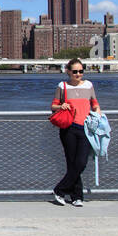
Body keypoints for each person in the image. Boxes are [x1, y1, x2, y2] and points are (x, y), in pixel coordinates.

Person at [50, 58, 100, 207]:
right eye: (75, 71)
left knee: (81, 162)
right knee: (72, 163)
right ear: (68, 72)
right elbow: (53, 106)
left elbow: (94, 103)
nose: (78, 74)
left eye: (81, 71)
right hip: (68, 128)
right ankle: (77, 197)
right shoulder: (62, 86)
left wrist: (98, 114)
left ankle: (59, 190)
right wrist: (61, 106)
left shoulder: (89, 85)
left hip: (85, 128)